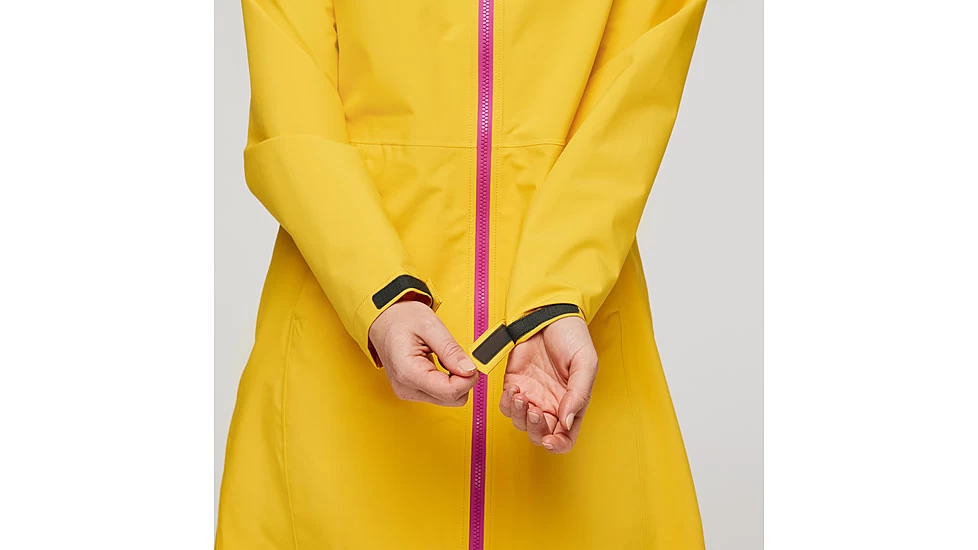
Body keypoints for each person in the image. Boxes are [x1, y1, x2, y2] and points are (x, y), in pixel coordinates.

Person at [217, 0, 709, 548]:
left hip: (569, 365)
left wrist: (555, 294)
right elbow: (291, 97)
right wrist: (379, 292)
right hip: (337, 361)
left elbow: (636, 94)